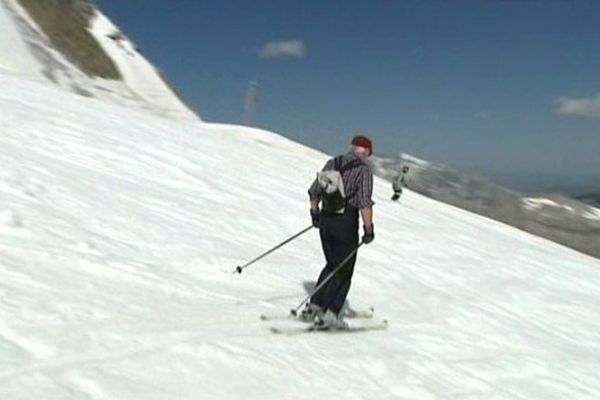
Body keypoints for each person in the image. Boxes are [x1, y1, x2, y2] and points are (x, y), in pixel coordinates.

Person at [302, 135, 375, 329]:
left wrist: (315, 214)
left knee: (331, 264)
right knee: (344, 269)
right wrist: (369, 229)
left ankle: (315, 306)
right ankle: (331, 314)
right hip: (346, 222)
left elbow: (313, 191)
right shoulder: (364, 170)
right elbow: (364, 202)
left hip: (326, 219)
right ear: (365, 151)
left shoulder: (332, 162)